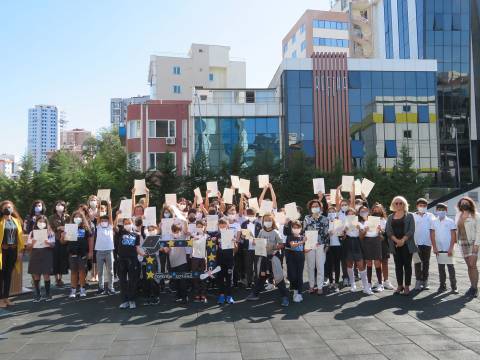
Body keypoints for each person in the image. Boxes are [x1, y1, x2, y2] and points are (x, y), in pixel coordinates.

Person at [247, 214, 289, 307]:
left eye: (269, 220)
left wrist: (273, 247)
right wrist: (255, 242)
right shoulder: (261, 231)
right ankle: (255, 294)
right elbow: (258, 242)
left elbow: (282, 245)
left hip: (273, 257)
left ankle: (285, 297)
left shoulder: (275, 232)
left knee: (278, 277)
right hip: (263, 258)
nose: (267, 222)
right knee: (261, 276)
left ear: (273, 221)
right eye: (265, 220)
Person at [386, 196, 417, 296]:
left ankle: (407, 286)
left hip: (407, 244)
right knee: (398, 266)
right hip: (395, 245)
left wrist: (403, 240)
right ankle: (400, 285)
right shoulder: (390, 217)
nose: (398, 205)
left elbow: (411, 230)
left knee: (407, 265)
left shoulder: (410, 216)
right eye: (396, 203)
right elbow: (388, 231)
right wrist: (396, 240)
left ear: (404, 204)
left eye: (401, 203)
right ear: (393, 205)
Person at [61, 211, 94, 299]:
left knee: (82, 272)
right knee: (74, 272)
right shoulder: (70, 228)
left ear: (82, 218)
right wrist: (63, 236)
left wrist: (90, 252)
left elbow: (90, 240)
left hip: (83, 253)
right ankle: (73, 290)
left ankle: (82, 289)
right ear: (73, 218)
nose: (77, 218)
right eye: (76, 217)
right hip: (72, 253)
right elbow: (63, 242)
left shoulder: (86, 228)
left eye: (79, 217)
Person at [114, 215, 144, 309]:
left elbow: (137, 248)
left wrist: (144, 254)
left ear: (132, 223)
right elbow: (114, 227)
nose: (127, 224)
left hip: (133, 260)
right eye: (125, 223)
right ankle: (125, 301)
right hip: (122, 260)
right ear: (123, 225)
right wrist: (117, 216)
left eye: (129, 223)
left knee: (132, 281)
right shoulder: (120, 232)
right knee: (122, 281)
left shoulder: (136, 235)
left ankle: (132, 300)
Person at [303, 198, 330, 295]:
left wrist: (327, 245)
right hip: (310, 246)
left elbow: (327, 234)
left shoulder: (325, 219)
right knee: (310, 267)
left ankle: (319, 287)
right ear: (310, 208)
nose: (315, 208)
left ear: (320, 207)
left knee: (320, 266)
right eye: (313, 206)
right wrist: (305, 245)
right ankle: (311, 286)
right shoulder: (306, 218)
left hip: (321, 246)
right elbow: (303, 233)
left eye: (317, 206)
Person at [0, 201, 24, 308]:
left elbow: (20, 237)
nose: (7, 209)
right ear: (1, 209)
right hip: (2, 252)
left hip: (13, 251)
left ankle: (6, 297)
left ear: (12, 208)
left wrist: (20, 251)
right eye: (5, 207)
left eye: (9, 207)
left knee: (8, 275)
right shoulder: (0, 221)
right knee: (1, 275)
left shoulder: (16, 221)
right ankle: (0, 299)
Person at [430, 203, 457, 294]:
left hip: (448, 248)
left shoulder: (450, 221)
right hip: (439, 248)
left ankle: (454, 286)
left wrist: (451, 248)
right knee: (441, 268)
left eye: (443, 209)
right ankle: (442, 285)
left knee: (451, 268)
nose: (441, 211)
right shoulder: (434, 221)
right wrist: (434, 247)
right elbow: (432, 235)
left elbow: (453, 236)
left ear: (446, 211)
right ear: (436, 210)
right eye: (439, 209)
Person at [27, 215, 55, 302]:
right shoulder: (32, 233)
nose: (41, 223)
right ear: (36, 223)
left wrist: (48, 243)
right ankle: (37, 295)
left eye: (43, 222)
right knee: (36, 275)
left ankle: (48, 294)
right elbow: (28, 247)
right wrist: (32, 243)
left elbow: (53, 245)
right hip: (35, 254)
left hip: (46, 254)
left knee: (46, 275)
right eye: (40, 222)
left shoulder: (50, 232)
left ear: (46, 223)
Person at [455, 197, 479, 298]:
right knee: (469, 266)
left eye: (466, 202)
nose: (464, 204)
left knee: (472, 264)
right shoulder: (458, 215)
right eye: (462, 203)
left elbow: (479, 231)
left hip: (473, 242)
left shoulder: (476, 215)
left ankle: (475, 288)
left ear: (470, 204)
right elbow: (456, 229)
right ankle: (472, 286)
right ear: (459, 205)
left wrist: (476, 245)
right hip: (463, 243)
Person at [359, 206, 384, 293]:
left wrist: (380, 231)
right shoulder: (360, 222)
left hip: (376, 241)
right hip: (366, 242)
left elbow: (382, 235)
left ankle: (380, 284)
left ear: (368, 211)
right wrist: (365, 231)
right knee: (369, 262)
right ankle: (369, 283)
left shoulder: (375, 219)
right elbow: (361, 237)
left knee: (377, 262)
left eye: (365, 211)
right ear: (359, 213)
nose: (364, 212)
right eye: (362, 211)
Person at [413, 198, 435, 291]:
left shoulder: (430, 216)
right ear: (417, 206)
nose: (422, 207)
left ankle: (425, 281)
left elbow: (434, 228)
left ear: (427, 207)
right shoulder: (412, 216)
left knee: (426, 263)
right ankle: (418, 281)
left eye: (424, 206)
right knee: (417, 263)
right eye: (420, 205)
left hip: (427, 243)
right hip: (415, 243)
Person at [371, 203, 394, 290]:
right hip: (374, 243)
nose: (376, 211)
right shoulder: (370, 220)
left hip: (384, 243)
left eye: (378, 209)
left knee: (384, 262)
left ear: (381, 210)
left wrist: (382, 232)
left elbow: (388, 233)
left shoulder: (385, 220)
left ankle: (386, 281)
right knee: (377, 263)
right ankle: (379, 281)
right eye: (374, 209)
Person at [164, 224, 189, 303]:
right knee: (176, 280)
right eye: (175, 231)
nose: (177, 232)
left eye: (178, 231)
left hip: (182, 262)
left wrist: (184, 221)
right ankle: (178, 296)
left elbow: (185, 229)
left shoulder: (182, 236)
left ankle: (185, 297)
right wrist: (169, 246)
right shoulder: (168, 238)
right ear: (172, 231)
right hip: (173, 262)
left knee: (183, 280)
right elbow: (166, 251)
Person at [95, 201, 115, 295]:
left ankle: (111, 287)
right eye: (102, 220)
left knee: (110, 271)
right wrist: (99, 205)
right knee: (100, 271)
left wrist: (109, 204)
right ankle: (101, 287)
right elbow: (99, 216)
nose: (104, 222)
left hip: (109, 251)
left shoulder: (110, 226)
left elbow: (110, 215)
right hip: (99, 251)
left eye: (105, 221)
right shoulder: (98, 226)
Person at [216, 218, 236, 304]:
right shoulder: (217, 236)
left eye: (224, 225)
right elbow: (214, 248)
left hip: (229, 261)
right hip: (219, 260)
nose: (222, 226)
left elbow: (235, 250)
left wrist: (234, 243)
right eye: (221, 225)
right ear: (218, 226)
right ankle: (221, 295)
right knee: (220, 278)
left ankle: (229, 296)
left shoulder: (231, 235)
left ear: (227, 225)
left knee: (229, 279)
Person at [49, 201, 70, 287]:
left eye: (61, 205)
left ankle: (60, 279)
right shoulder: (51, 217)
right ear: (55, 207)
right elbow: (50, 229)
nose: (60, 206)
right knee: (55, 259)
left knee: (63, 259)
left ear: (64, 207)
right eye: (58, 205)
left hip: (65, 240)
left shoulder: (68, 217)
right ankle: (56, 279)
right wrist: (58, 228)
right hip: (55, 240)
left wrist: (64, 228)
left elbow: (71, 226)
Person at [285, 220, 305, 302]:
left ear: (301, 228)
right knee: (292, 276)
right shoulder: (290, 236)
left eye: (298, 227)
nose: (296, 229)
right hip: (291, 258)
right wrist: (302, 242)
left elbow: (307, 247)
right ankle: (295, 289)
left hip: (300, 257)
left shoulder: (303, 236)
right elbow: (292, 245)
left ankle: (299, 293)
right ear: (291, 228)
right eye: (294, 227)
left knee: (299, 276)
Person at [325, 206, 343, 292]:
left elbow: (342, 234)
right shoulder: (325, 222)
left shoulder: (339, 222)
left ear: (336, 213)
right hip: (329, 246)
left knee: (337, 265)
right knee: (329, 265)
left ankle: (336, 283)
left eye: (333, 211)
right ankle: (331, 282)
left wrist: (339, 232)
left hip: (338, 246)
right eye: (330, 212)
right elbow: (323, 235)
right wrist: (328, 234)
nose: (331, 213)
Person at [191, 220, 207, 303]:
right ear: (196, 227)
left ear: (204, 227)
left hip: (203, 258)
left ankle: (203, 294)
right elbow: (189, 244)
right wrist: (192, 239)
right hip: (195, 258)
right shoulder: (192, 235)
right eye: (198, 226)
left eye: (201, 226)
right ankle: (196, 294)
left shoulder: (206, 236)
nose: (200, 228)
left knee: (203, 276)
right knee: (195, 277)